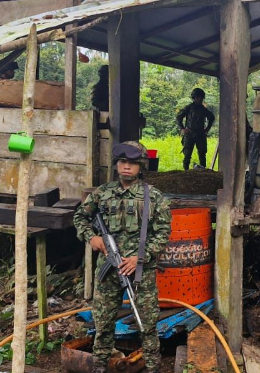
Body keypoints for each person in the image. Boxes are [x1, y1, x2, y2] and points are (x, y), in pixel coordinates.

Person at [72, 141, 172, 373]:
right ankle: (99, 366)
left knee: (147, 324)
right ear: (117, 164)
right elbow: (80, 217)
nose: (127, 167)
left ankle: (153, 367)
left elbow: (163, 233)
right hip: (108, 271)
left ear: (141, 167)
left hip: (140, 272)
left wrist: (140, 258)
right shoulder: (102, 193)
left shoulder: (153, 197)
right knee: (103, 323)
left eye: (132, 163)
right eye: (122, 162)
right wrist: (92, 238)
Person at [176, 88, 215, 170]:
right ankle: (186, 172)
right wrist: (182, 128)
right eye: (198, 98)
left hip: (200, 134)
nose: (200, 99)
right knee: (187, 155)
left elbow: (211, 117)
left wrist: (207, 128)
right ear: (194, 98)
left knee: (202, 155)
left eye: (201, 98)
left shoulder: (203, 109)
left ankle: (203, 171)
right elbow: (179, 117)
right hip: (190, 133)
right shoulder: (189, 107)